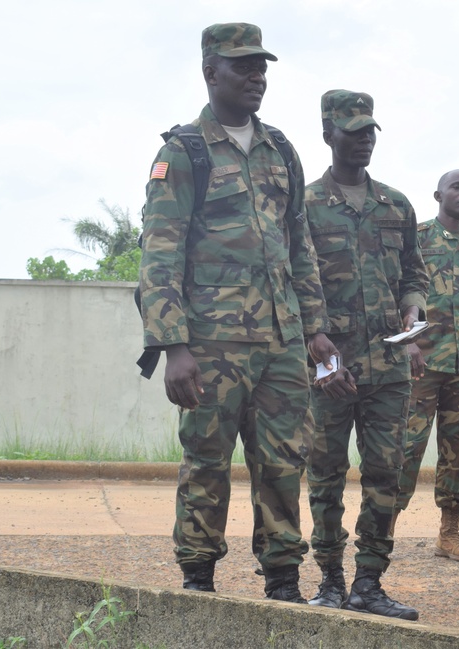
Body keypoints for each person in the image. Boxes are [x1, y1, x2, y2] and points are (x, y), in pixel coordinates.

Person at [138, 23, 340, 602]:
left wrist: (316, 330)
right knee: (207, 460)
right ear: (210, 72)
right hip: (212, 344)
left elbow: (299, 246)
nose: (256, 77)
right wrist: (173, 347)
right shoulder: (184, 151)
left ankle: (283, 581)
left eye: (261, 67)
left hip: (282, 342)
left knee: (284, 463)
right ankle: (197, 581)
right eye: (243, 66)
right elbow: (160, 254)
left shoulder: (281, 149)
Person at [304, 89, 429, 621]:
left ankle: (369, 583)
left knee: (386, 475)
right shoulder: (305, 205)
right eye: (352, 131)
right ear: (328, 134)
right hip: (331, 370)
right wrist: (320, 360)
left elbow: (414, 273)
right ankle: (330, 579)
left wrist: (414, 311)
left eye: (369, 132)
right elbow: (292, 285)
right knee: (326, 474)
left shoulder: (395, 205)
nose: (363, 141)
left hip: (389, 369)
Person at [394, 169, 459, 562]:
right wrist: (407, 342)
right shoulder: (418, 238)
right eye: (456, 187)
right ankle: (383, 530)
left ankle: (449, 534)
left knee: (458, 453)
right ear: (438, 195)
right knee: (406, 448)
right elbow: (396, 290)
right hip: (420, 364)